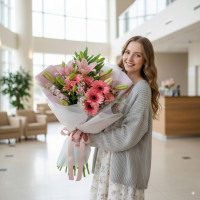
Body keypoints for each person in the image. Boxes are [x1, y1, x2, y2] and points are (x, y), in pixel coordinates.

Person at [88, 36, 160, 200]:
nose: (129, 58)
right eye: (127, 52)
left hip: (124, 169)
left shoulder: (142, 89)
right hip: (105, 162)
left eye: (137, 55)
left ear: (145, 60)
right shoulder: (116, 82)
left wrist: (90, 138)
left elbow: (128, 135)